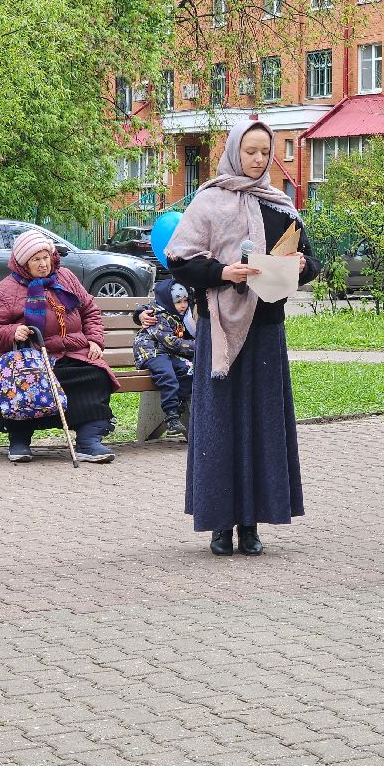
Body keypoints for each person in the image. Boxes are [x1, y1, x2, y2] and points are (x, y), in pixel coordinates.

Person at [165, 118, 321, 557]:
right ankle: (220, 524)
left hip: (266, 329)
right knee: (220, 427)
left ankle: (252, 524)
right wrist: (221, 272)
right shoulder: (209, 201)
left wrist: (299, 268)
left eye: (264, 153)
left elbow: (310, 260)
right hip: (223, 328)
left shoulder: (280, 205)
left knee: (261, 426)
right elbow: (179, 259)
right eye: (250, 151)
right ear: (235, 150)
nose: (257, 159)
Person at [0, 229, 119, 464]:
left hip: (74, 351)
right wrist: (12, 331)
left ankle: (88, 441)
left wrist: (95, 339)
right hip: (34, 357)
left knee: (96, 375)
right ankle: (20, 440)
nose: (43, 264)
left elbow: (89, 310)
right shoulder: (7, 289)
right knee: (32, 380)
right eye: (36, 260)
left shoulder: (65, 277)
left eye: (46, 257)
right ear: (23, 263)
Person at [133, 280, 195, 439]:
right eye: (178, 302)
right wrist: (200, 346)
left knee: (188, 369)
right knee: (167, 375)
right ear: (168, 301)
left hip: (168, 353)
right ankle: (171, 415)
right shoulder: (157, 316)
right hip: (150, 352)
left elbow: (177, 342)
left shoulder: (179, 315)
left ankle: (179, 406)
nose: (183, 305)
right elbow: (171, 342)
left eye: (185, 301)